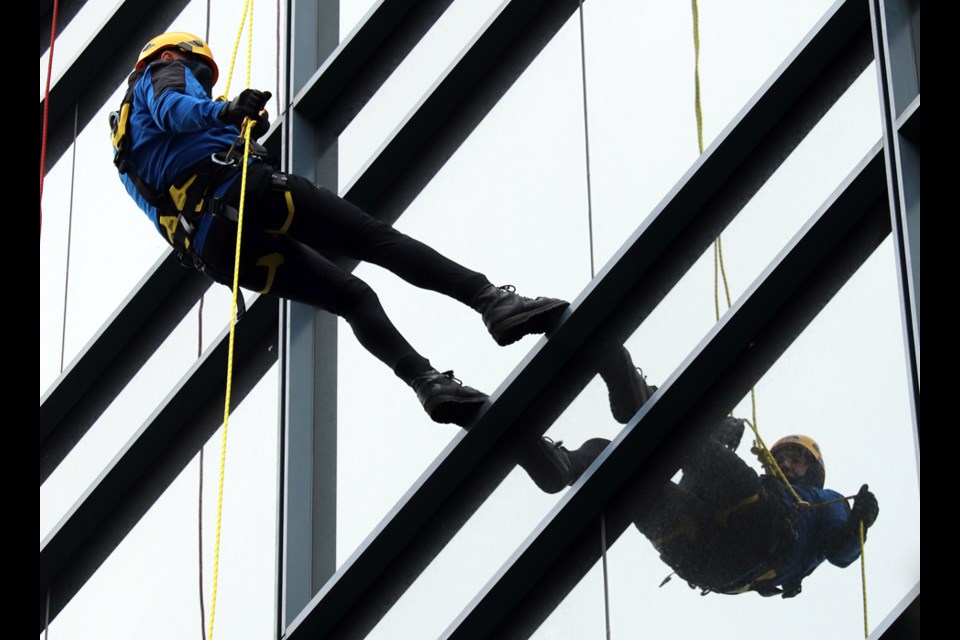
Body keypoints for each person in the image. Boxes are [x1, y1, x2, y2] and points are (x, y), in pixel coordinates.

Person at [110, 32, 569, 427]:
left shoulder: (125, 153)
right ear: (172, 57)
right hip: (244, 191)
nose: (201, 83)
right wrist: (225, 110)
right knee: (374, 240)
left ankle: (427, 383)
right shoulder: (161, 73)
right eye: (199, 73)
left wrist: (232, 123)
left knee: (352, 299)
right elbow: (177, 108)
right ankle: (494, 302)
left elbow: (173, 162)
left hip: (219, 252)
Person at [518, 346, 879, 597]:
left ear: (814, 472)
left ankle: (641, 402)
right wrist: (716, 443)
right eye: (782, 455)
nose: (785, 461)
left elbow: (840, 553)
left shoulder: (823, 502)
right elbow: (691, 487)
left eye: (797, 458)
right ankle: (564, 467)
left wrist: (859, 523)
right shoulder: (763, 488)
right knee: (626, 475)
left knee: (693, 446)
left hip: (762, 537)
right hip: (707, 561)